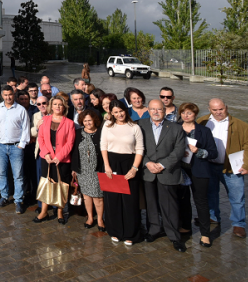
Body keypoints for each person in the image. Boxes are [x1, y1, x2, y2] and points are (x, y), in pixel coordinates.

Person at [199, 98, 248, 239]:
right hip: (209, 165)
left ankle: (239, 224)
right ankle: (213, 216)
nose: (219, 112)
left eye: (221, 109)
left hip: (231, 168)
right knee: (211, 194)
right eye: (215, 110)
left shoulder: (241, 125)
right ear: (209, 109)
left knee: (237, 197)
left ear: (226, 107)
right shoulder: (202, 122)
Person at [139, 99, 187, 252]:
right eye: (153, 109)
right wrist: (147, 163)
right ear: (148, 110)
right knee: (151, 204)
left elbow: (179, 151)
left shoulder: (176, 128)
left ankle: (174, 236)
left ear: (165, 111)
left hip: (167, 172)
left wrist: (162, 164)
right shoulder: (140, 125)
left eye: (159, 109)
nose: (156, 112)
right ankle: (153, 230)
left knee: (170, 206)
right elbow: (137, 147)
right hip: (148, 171)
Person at [100, 100, 144, 245]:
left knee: (130, 201)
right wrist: (106, 165)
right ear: (111, 113)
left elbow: (139, 149)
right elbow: (103, 145)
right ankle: (115, 231)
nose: (119, 114)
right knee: (112, 199)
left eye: (121, 111)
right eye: (116, 112)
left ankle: (131, 233)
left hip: (129, 164)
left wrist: (134, 168)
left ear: (126, 110)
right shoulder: (107, 125)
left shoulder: (135, 127)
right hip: (111, 164)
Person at [176, 102, 217, 247]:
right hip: (180, 169)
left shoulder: (204, 131)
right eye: (183, 113)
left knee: (200, 201)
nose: (185, 116)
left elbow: (213, 152)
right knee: (183, 200)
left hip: (199, 170)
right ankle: (186, 226)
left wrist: (198, 151)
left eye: (189, 113)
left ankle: (205, 234)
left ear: (195, 115)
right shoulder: (175, 128)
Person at [34, 96, 75, 224]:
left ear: (64, 107)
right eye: (55, 104)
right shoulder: (44, 120)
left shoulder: (69, 123)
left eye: (60, 104)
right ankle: (44, 211)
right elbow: (40, 138)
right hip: (46, 158)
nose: (57, 107)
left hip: (61, 159)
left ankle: (60, 212)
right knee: (47, 184)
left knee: (61, 185)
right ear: (51, 106)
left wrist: (59, 157)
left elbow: (70, 143)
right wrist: (46, 153)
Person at [0, 85, 30, 213]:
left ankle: (18, 200)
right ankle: (4, 196)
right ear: (2, 95)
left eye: (10, 94)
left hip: (16, 147)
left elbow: (26, 129)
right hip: (1, 146)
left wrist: (21, 145)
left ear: (13, 94)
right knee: (2, 173)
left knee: (18, 175)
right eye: (6, 95)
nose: (8, 97)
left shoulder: (21, 110)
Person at [70, 110, 105, 230]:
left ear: (95, 120)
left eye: (90, 120)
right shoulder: (78, 133)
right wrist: (74, 168)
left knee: (98, 196)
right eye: (85, 121)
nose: (88, 123)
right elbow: (74, 151)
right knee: (86, 195)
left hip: (97, 169)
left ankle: (100, 219)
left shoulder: (101, 133)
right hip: (83, 169)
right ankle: (90, 217)